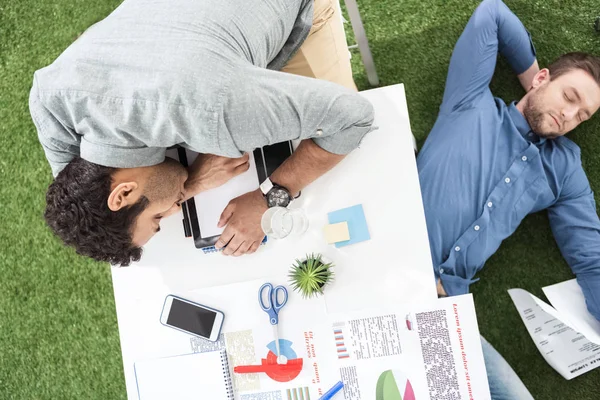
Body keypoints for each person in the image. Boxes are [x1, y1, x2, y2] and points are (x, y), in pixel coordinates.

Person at [30, 0, 375, 265]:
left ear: (122, 193)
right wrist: (189, 183)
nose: (175, 211)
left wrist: (268, 199)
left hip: (287, 20)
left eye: (158, 217)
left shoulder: (216, 114)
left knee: (350, 161)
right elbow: (71, 186)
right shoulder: (48, 97)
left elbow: (352, 119)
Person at [417, 0, 600, 398]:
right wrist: (534, 81)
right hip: (391, 268)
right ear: (543, 79)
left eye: (583, 115)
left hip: (446, 311)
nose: (571, 115)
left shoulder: (564, 167)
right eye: (569, 96)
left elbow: (591, 256)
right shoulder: (471, 102)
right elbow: (492, 13)